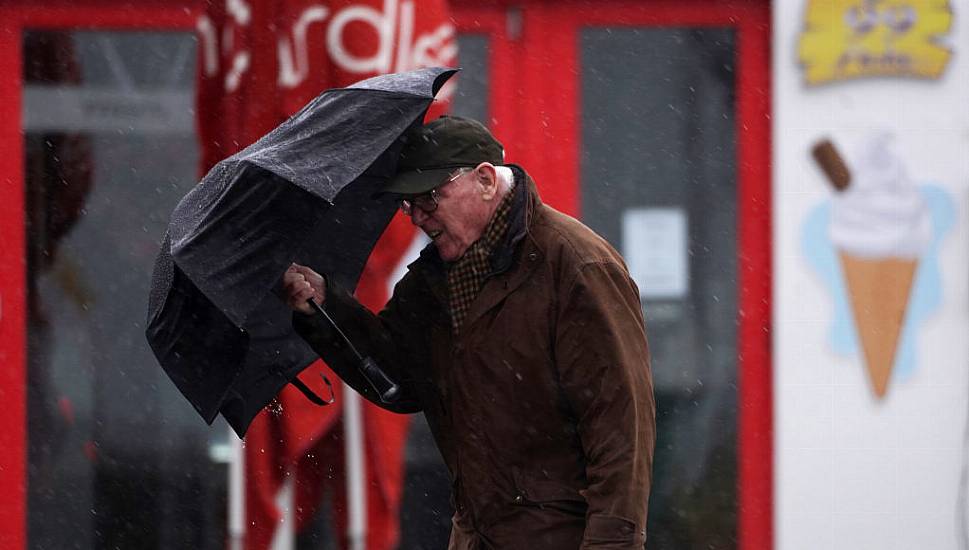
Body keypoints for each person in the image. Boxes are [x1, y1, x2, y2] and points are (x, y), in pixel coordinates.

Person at [282, 115, 655, 549]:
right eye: (409, 205)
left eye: (430, 198)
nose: (419, 217)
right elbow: (400, 381)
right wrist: (324, 309)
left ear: (484, 180)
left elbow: (620, 429)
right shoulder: (433, 279)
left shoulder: (576, 267)